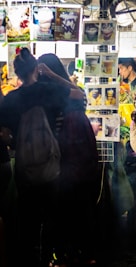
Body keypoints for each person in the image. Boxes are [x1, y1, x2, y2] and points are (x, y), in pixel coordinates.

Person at [0, 48, 71, 266]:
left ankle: (29, 258)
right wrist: (50, 74)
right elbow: (78, 94)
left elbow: (3, 135)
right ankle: (48, 257)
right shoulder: (48, 90)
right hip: (51, 165)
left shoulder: (11, 99)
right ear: (35, 69)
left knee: (27, 219)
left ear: (17, 73)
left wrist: (15, 140)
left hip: (24, 168)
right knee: (50, 215)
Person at [36, 53, 101, 265]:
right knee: (74, 214)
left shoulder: (65, 95)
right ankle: (76, 254)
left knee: (67, 214)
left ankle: (69, 255)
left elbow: (81, 94)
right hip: (69, 166)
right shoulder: (50, 95)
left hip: (65, 166)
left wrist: (52, 75)